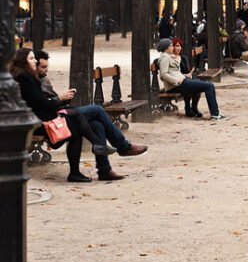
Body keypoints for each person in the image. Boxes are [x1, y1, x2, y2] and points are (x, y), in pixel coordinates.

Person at [35, 50, 147, 181]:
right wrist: (60, 98)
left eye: (47, 66)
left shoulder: (42, 79)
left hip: (60, 113)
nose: (46, 70)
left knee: (97, 125)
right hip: (52, 120)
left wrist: (64, 99)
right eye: (43, 67)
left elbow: (50, 102)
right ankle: (123, 146)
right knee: (97, 110)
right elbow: (41, 106)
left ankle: (104, 170)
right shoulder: (30, 81)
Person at [13, 48, 108, 183]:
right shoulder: (24, 78)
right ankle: (98, 144)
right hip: (34, 122)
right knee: (78, 115)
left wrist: (59, 101)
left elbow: (41, 103)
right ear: (23, 61)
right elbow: (40, 104)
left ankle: (78, 170)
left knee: (76, 128)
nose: (35, 61)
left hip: (39, 117)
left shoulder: (29, 77)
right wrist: (59, 99)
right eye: (31, 58)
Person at [157, 38, 225, 117]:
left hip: (181, 82)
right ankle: (215, 113)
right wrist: (177, 80)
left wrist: (184, 76)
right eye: (171, 46)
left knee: (203, 85)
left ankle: (199, 110)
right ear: (166, 48)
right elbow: (163, 74)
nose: (173, 48)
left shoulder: (167, 56)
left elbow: (173, 72)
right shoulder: (165, 58)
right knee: (209, 86)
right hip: (176, 85)